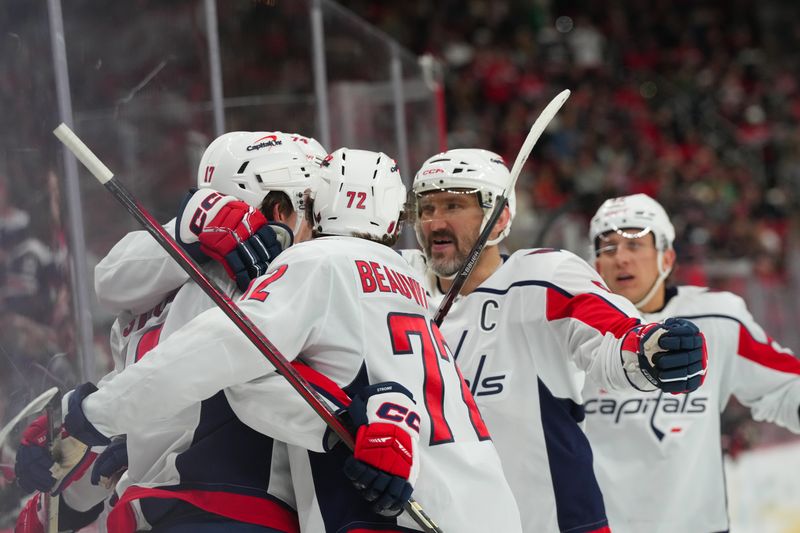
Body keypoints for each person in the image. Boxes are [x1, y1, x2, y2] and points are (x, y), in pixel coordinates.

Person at [53, 147, 523, 532]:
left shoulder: (314, 264)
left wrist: (100, 414)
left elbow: (228, 353)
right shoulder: (415, 284)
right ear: (395, 222)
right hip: (492, 505)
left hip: (400, 513)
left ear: (317, 209)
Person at [14, 131, 319, 532]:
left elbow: (142, 380)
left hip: (164, 510)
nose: (320, 224)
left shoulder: (155, 292)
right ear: (278, 205)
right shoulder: (266, 281)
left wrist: (90, 423)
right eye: (311, 207)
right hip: (234, 506)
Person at [401, 148, 707, 533]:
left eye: (453, 205)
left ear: (500, 218)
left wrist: (649, 351)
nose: (435, 223)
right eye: (426, 209)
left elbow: (613, 338)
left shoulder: (543, 278)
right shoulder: (401, 289)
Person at [583, 193, 800, 533]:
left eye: (635, 244)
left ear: (666, 258)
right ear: (595, 265)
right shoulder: (571, 330)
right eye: (608, 248)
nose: (621, 258)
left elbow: (784, 386)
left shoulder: (718, 318)